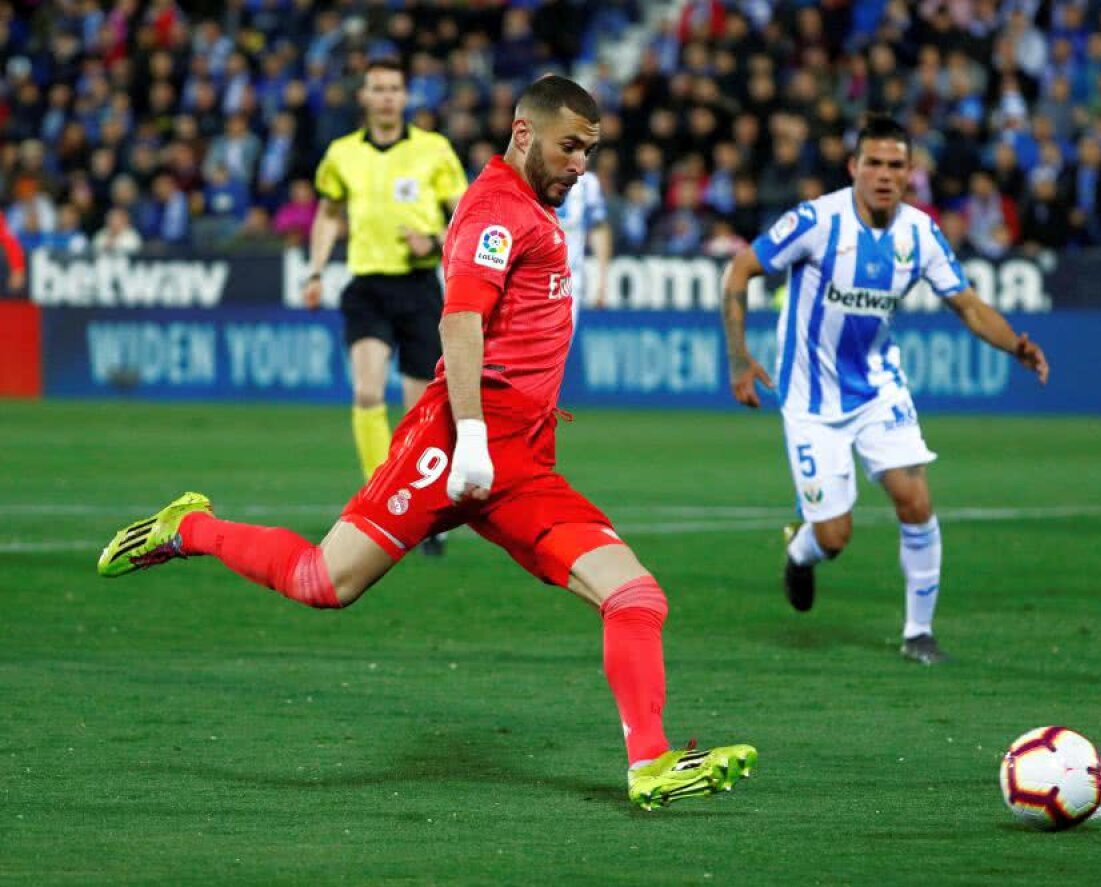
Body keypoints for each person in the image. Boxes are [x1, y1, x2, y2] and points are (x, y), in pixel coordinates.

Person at [97, 75, 756, 811]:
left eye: (590, 152)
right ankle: (188, 527)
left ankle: (651, 764)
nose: (581, 165)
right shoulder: (497, 211)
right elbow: (459, 322)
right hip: (453, 442)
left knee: (635, 594)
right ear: (523, 132)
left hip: (522, 462)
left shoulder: (534, 207)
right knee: (324, 581)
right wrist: (470, 435)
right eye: (570, 147)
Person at [721, 114, 1049, 665]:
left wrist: (1014, 344)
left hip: (878, 389)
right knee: (834, 537)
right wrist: (739, 360)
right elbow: (739, 272)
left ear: (910, 173)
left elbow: (966, 304)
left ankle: (918, 632)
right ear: (853, 167)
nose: (883, 174)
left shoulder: (919, 233)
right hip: (811, 400)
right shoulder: (816, 221)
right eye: (873, 162)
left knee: (914, 498)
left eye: (896, 165)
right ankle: (801, 554)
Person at [303, 58, 468, 538]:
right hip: (367, 286)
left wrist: (435, 239)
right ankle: (380, 493)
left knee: (419, 411)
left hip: (418, 288)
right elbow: (328, 214)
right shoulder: (341, 154)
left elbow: (465, 216)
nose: (387, 96)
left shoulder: (434, 151)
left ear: (406, 95)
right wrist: (315, 270)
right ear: (365, 97)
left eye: (395, 88)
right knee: (368, 390)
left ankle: (420, 508)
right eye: (378, 88)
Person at [556, 169, 612, 326]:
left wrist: (602, 281)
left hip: (569, 279)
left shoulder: (588, 183)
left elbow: (598, 227)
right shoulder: (532, 175)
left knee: (561, 344)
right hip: (532, 275)